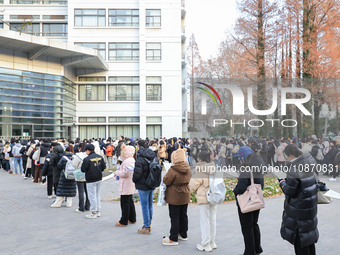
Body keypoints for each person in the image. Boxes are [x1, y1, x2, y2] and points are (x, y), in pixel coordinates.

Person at [279, 144, 318, 255]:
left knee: (301, 242)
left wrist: (282, 183)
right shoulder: (309, 161)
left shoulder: (293, 168)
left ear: (290, 155)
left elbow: (290, 191)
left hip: (299, 211)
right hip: (309, 208)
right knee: (308, 240)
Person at [233, 145, 264, 255]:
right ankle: (257, 248)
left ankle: (250, 252)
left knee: (247, 228)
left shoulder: (246, 169)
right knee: (254, 224)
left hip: (246, 203)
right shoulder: (259, 167)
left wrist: (234, 190)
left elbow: (240, 189)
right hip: (256, 201)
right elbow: (261, 185)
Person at [162, 148, 191, 246]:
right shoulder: (188, 167)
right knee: (183, 215)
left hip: (174, 195)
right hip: (185, 194)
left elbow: (166, 181)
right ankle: (183, 234)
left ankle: (173, 238)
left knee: (174, 216)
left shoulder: (173, 169)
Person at [190, 151, 217, 252]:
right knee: (212, 219)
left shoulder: (200, 170)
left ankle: (205, 244)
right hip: (214, 196)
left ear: (200, 159)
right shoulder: (213, 168)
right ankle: (212, 242)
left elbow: (192, 185)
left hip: (204, 197)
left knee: (205, 221)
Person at [132, 140, 156, 234]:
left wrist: (134, 180)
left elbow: (137, 174)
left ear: (139, 146)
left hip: (143, 185)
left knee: (144, 206)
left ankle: (146, 227)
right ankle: (148, 224)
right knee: (150, 205)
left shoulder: (140, 158)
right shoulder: (153, 156)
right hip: (152, 183)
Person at [81, 143, 106, 219]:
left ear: (88, 151)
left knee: (92, 196)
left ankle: (93, 212)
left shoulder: (86, 159)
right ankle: (98, 211)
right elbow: (103, 167)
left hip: (90, 179)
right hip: (99, 178)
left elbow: (83, 170)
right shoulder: (100, 157)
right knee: (97, 194)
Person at [114, 145, 136, 227]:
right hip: (129, 183)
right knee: (129, 201)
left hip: (126, 184)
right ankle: (132, 218)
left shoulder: (127, 161)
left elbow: (125, 173)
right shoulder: (131, 159)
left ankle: (124, 221)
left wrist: (116, 172)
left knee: (125, 202)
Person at [72, 143, 90, 212]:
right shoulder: (89, 155)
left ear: (80, 148)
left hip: (80, 175)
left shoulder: (78, 156)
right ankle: (87, 206)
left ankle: (81, 207)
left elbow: (74, 165)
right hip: (88, 174)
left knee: (81, 191)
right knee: (88, 191)